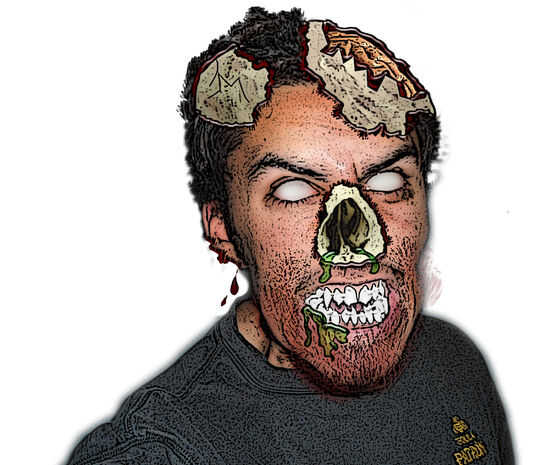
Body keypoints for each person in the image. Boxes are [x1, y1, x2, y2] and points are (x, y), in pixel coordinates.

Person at [64, 7, 514, 465]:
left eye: (388, 181)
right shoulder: (161, 450)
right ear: (224, 231)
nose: (359, 240)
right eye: (293, 189)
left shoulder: (454, 363)